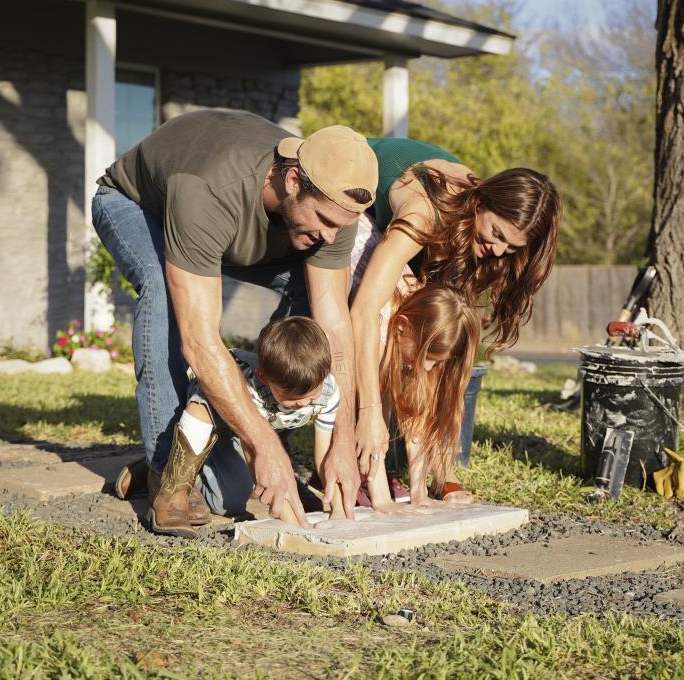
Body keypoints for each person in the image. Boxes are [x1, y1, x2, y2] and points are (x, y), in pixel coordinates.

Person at [93, 109, 375, 534]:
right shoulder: (208, 189)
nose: (332, 237)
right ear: (293, 181)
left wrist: (342, 437)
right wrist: (263, 446)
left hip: (238, 231)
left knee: (311, 289)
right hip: (138, 206)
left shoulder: (333, 207)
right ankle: (164, 466)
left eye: (342, 226)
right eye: (325, 222)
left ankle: (235, 444)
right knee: (164, 290)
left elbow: (333, 328)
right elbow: (199, 340)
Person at [351, 137, 560, 500]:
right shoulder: (422, 213)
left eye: (511, 247)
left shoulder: (481, 239)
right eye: (496, 234)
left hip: (435, 234)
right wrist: (371, 414)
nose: (497, 250)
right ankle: (360, 461)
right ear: (480, 202)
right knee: (388, 325)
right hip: (352, 202)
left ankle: (440, 472)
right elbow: (363, 312)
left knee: (444, 339)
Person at [167, 316, 340, 528]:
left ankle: (205, 461)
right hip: (222, 411)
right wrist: (292, 522)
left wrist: (338, 511)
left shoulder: (328, 391)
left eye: (312, 395)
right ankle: (172, 473)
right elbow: (256, 458)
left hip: (243, 433)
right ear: (264, 377)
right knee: (201, 406)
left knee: (227, 503)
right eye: (292, 398)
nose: (303, 403)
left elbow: (325, 456)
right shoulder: (252, 391)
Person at [361, 284, 481, 511]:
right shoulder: (378, 330)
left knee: (417, 391)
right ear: (402, 327)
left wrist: (419, 492)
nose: (427, 367)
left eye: (436, 362)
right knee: (379, 403)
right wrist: (381, 498)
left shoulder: (426, 318)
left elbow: (417, 417)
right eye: (426, 356)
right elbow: (376, 418)